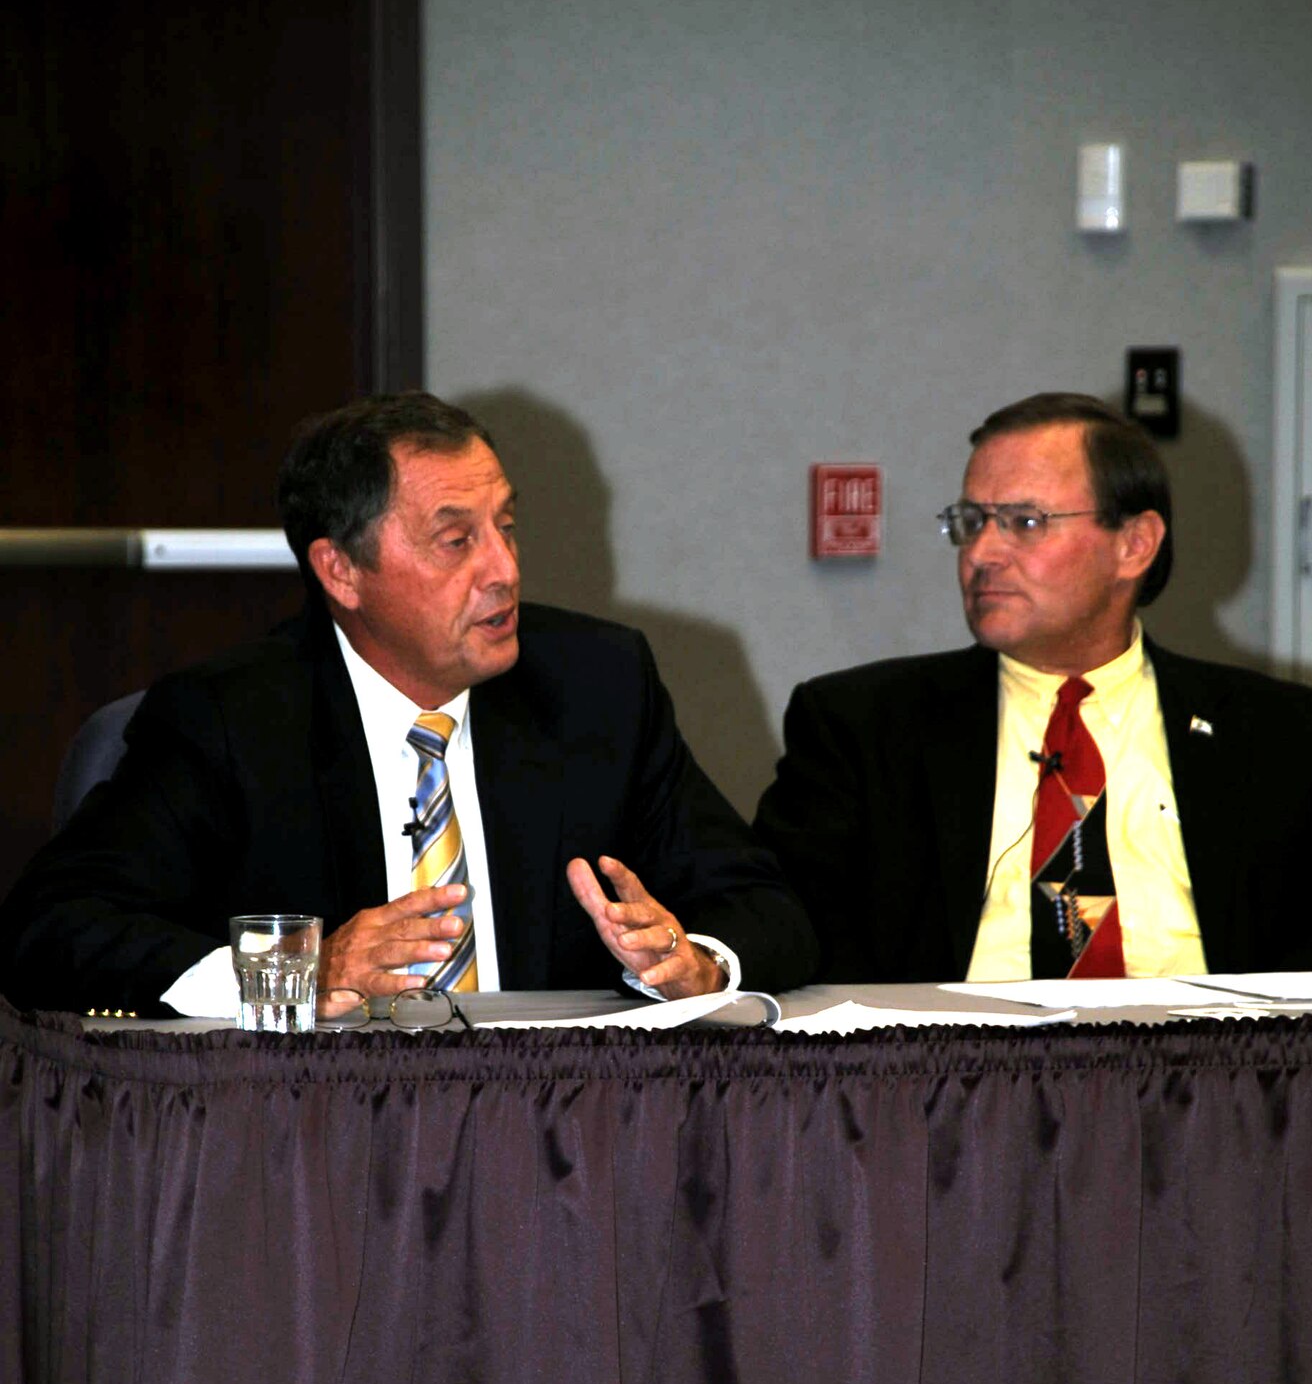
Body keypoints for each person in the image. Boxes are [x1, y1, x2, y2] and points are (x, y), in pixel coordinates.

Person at [0, 393, 816, 1015]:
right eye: (457, 540)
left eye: (506, 526)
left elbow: (766, 907)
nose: (503, 569)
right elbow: (49, 927)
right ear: (341, 572)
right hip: (311, 1152)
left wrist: (696, 960)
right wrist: (293, 974)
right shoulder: (231, 720)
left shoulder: (598, 685)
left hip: (563, 1140)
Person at [755, 391, 1312, 982]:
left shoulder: (1284, 736)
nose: (981, 552)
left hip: (1212, 1066)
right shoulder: (860, 728)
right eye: (971, 522)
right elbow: (785, 933)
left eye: (1025, 522)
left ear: (1134, 545)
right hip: (953, 1068)